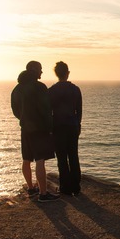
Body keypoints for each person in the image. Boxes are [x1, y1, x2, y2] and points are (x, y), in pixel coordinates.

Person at [11, 61, 60, 202]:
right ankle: (43, 194)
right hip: (39, 128)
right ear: (34, 70)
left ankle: (31, 188)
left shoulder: (17, 89)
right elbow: (46, 110)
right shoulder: (39, 87)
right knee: (40, 159)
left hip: (25, 128)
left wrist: (24, 119)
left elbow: (15, 110)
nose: (41, 72)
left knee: (26, 158)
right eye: (40, 69)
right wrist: (50, 128)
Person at [49, 61, 83, 196]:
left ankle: (65, 186)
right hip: (72, 126)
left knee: (61, 157)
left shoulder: (51, 91)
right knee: (73, 155)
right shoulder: (75, 89)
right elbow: (79, 110)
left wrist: (50, 128)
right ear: (67, 73)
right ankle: (76, 186)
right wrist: (78, 124)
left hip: (58, 127)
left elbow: (49, 111)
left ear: (56, 74)